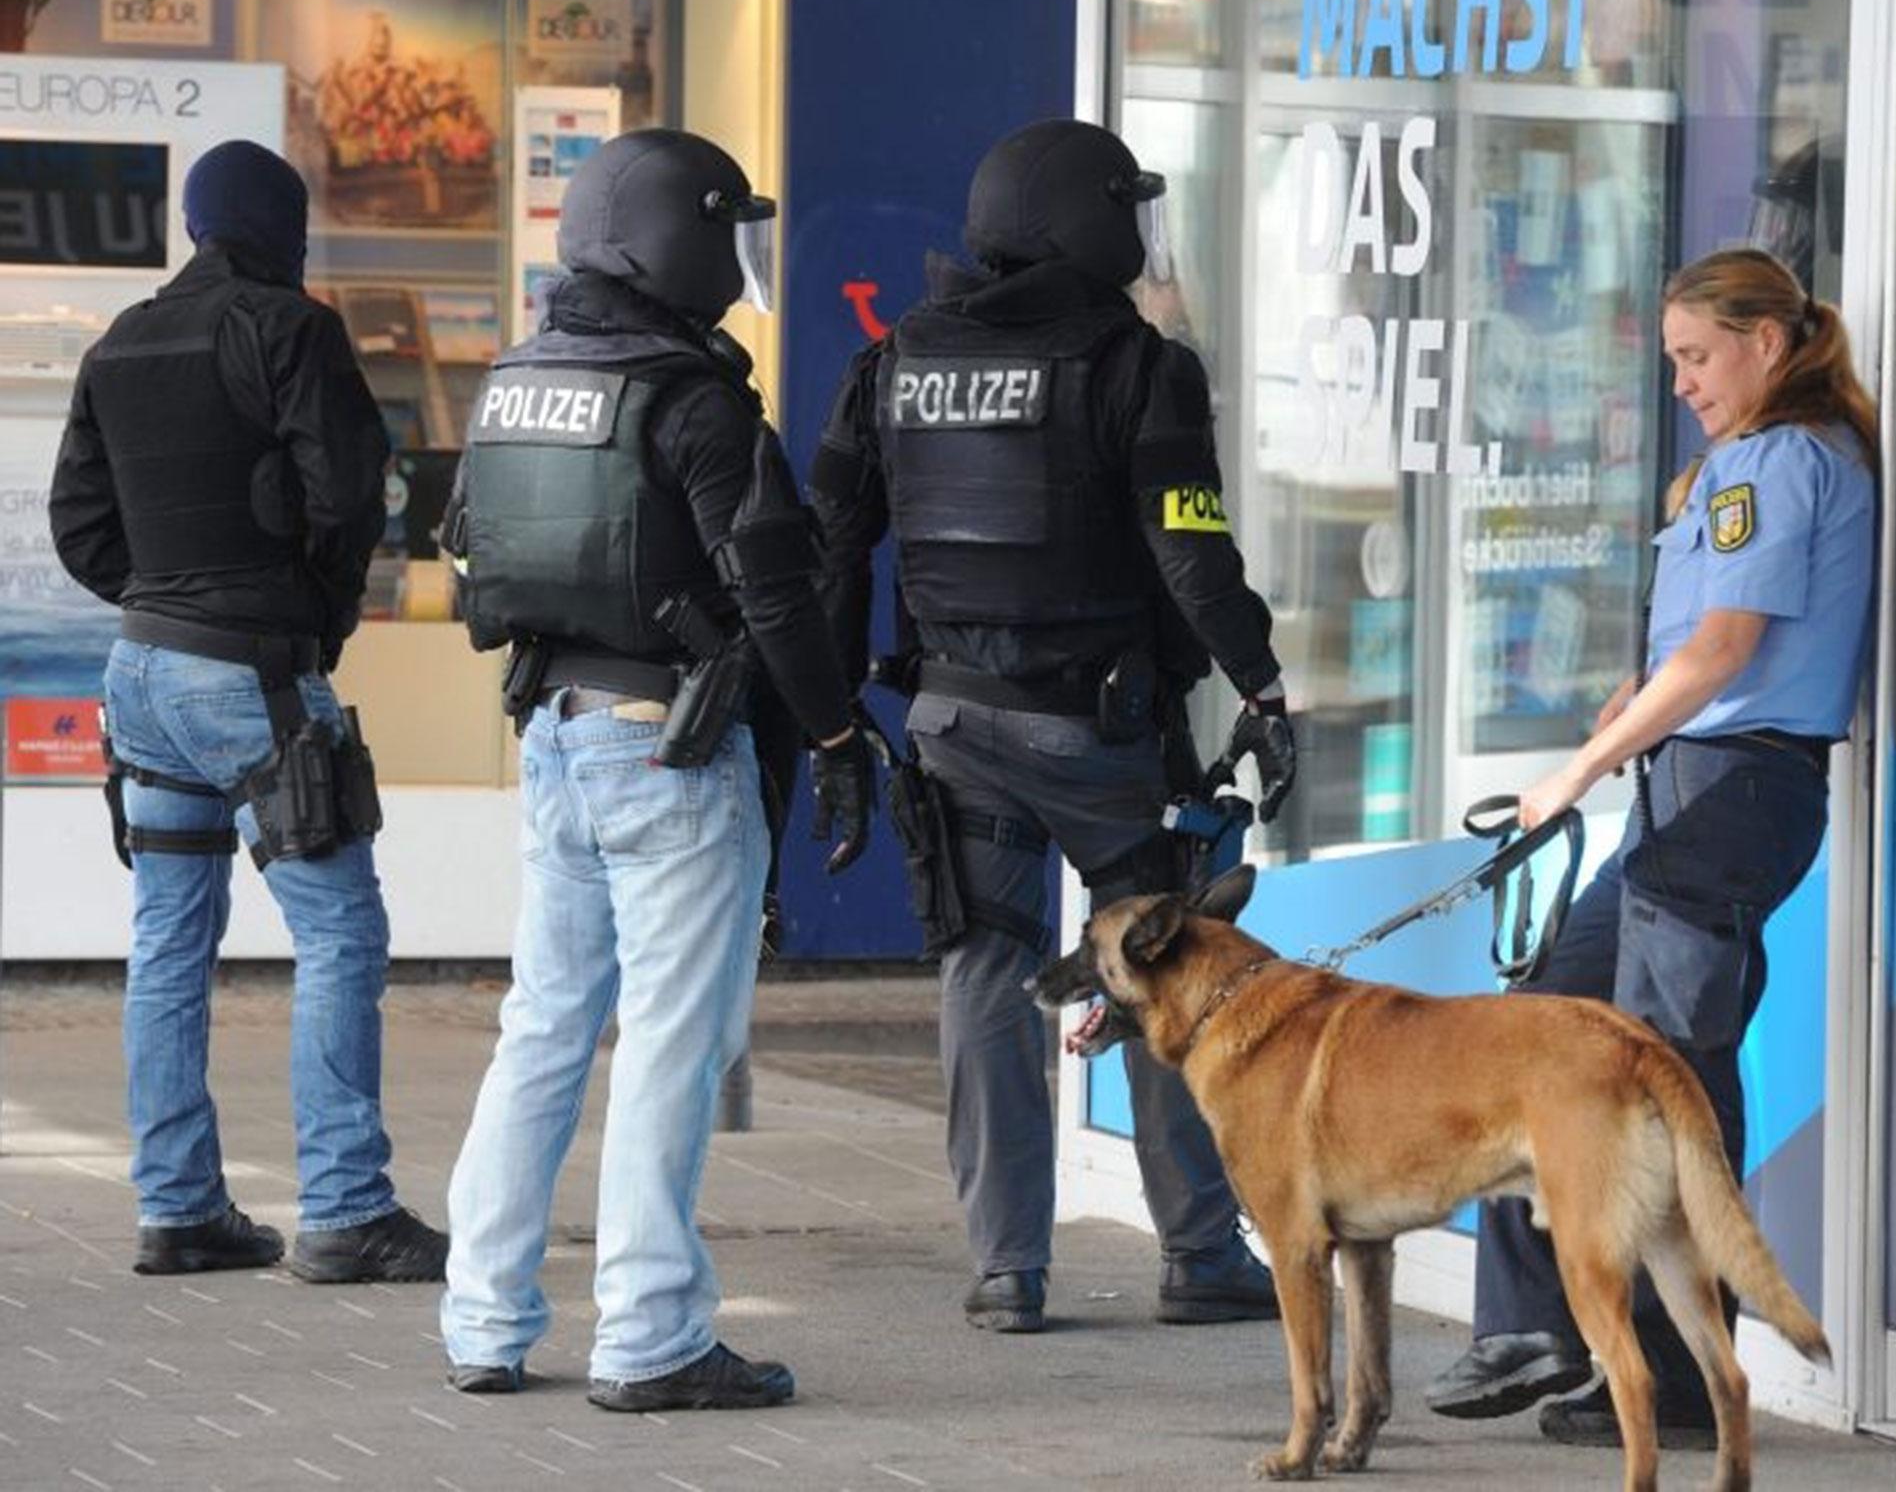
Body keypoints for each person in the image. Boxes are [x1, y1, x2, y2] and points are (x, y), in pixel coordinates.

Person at [812, 118, 1296, 1334]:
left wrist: (824, 725)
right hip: (1097, 729)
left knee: (982, 970)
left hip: (951, 720)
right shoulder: (1139, 365)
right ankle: (1197, 1252)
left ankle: (1004, 1269)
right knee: (1160, 969)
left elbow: (831, 539)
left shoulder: (894, 362)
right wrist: (1261, 685)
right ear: (1090, 223)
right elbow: (1190, 551)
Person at [437, 129, 873, 1409]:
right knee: (671, 1048)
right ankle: (651, 1335)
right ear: (678, 238)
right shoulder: (694, 398)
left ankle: (482, 1320)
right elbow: (779, 597)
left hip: (556, 735)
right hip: (669, 749)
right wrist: (838, 738)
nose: (741, 267)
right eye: (727, 234)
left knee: (543, 1030)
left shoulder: (517, 376)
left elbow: (469, 552)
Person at [1424, 247, 1878, 1446]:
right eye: (1670, 359)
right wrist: (1627, 716)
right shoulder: (1738, 465)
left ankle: (1679, 1381)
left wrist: (1576, 770)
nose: (1679, 381)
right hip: (1691, 791)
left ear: (1765, 344)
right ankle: (1534, 1326)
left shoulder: (1777, 461)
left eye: (1694, 356)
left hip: (1732, 792)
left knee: (1665, 1074)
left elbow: (1726, 653)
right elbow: (1692, 646)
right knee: (1549, 1026)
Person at [48, 140, 447, 1284]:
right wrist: (308, 615)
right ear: (282, 225)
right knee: (339, 932)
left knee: (168, 941)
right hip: (254, 678)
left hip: (142, 677)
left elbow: (80, 527)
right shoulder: (293, 327)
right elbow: (348, 493)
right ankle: (345, 1209)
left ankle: (178, 1209)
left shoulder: (120, 339)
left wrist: (161, 597)